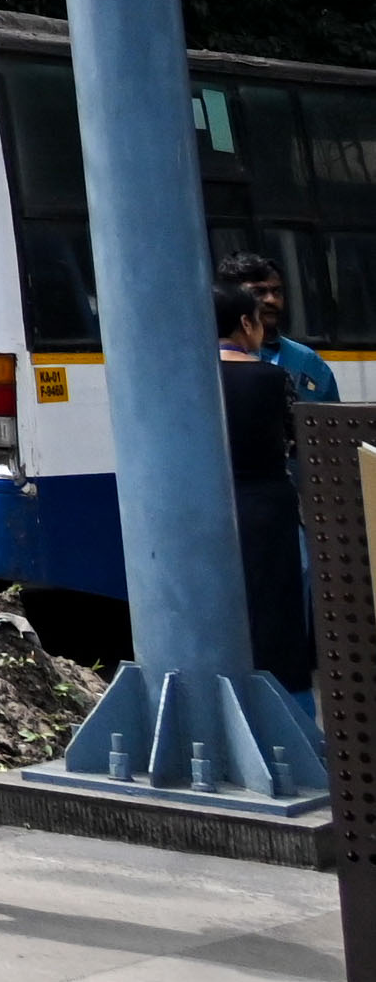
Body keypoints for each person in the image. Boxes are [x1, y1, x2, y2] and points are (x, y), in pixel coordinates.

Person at [219, 280, 318, 698]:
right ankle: (288, 710)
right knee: (277, 616)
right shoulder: (272, 378)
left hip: (206, 512)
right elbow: (297, 442)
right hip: (265, 509)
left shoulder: (183, 382)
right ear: (245, 323)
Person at [219, 251, 341, 404]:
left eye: (277, 291)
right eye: (258, 292)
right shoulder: (209, 361)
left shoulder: (307, 360)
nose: (272, 300)